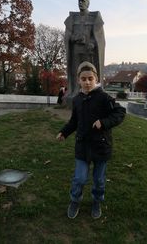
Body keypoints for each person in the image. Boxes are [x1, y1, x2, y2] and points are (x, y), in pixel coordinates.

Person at [56, 61, 126, 219]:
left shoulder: (104, 97)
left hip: (101, 146)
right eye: (83, 79)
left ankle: (96, 201)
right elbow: (74, 121)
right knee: (79, 179)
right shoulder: (77, 100)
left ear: (96, 79)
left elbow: (120, 112)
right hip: (82, 146)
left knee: (99, 180)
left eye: (90, 78)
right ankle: (75, 200)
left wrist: (104, 122)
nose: (87, 82)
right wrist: (64, 132)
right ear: (78, 80)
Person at [64, 0, 105, 96]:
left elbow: (99, 38)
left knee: (88, 71)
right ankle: (75, 91)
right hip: (76, 50)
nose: (80, 3)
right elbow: (68, 36)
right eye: (79, 1)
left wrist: (93, 43)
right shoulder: (73, 18)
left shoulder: (94, 18)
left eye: (83, 1)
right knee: (75, 71)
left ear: (88, 3)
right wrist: (75, 38)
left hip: (88, 50)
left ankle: (90, 91)